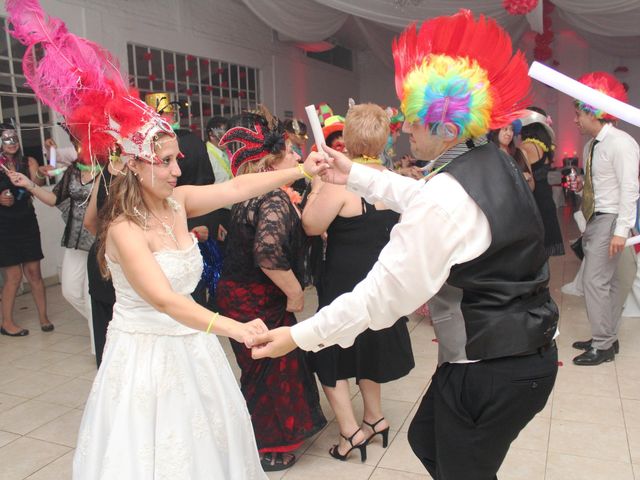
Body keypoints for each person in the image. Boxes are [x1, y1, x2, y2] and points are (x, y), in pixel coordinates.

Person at [5, 1, 326, 477]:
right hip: (145, 360)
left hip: (194, 349)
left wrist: (301, 169)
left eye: (177, 159)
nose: (178, 170)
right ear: (132, 164)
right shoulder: (122, 228)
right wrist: (236, 328)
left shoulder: (178, 202)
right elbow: (163, 299)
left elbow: (235, 186)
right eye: (167, 161)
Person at [250, 10, 559, 479]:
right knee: (424, 438)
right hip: (520, 353)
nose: (406, 129)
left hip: (494, 366)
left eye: (415, 122)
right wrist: (352, 173)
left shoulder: (448, 193)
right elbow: (423, 198)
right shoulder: (489, 159)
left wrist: (298, 336)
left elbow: (381, 299)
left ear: (448, 130)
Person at [215, 108, 326, 472]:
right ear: (273, 161)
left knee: (265, 366)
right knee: (269, 368)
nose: (297, 157)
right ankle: (266, 445)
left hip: (240, 291)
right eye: (291, 153)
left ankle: (259, 436)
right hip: (255, 295)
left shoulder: (254, 195)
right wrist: (295, 293)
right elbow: (267, 254)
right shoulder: (274, 199)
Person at [302, 103, 414, 462]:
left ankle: (350, 432)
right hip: (380, 276)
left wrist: (318, 184)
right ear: (384, 140)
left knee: (327, 348)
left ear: (347, 139)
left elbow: (311, 226)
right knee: (368, 343)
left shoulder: (341, 183)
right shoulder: (392, 180)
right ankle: (375, 417)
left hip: (343, 279)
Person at [569, 72, 639, 365]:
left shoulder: (621, 142)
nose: (575, 120)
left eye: (577, 114)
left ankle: (603, 344)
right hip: (598, 219)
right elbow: (599, 184)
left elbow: (629, 188)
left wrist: (621, 231)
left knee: (595, 282)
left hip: (611, 220)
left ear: (592, 112)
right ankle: (606, 335)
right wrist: (581, 185)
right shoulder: (591, 145)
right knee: (613, 281)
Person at [10, 134, 99, 350]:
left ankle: (100, 348)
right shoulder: (73, 171)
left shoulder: (108, 173)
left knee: (91, 296)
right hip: (75, 240)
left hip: (99, 242)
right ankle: (104, 326)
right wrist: (29, 184)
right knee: (69, 291)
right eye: (77, 145)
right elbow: (53, 199)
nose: (79, 149)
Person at [0, 124, 52, 336]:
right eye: (7, 139)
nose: (12, 143)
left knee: (34, 273)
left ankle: (43, 317)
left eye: (15, 138)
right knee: (13, 276)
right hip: (4, 225)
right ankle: (7, 323)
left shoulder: (27, 161)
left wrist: (39, 172)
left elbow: (37, 184)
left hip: (27, 222)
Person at [519, 107, 565, 256]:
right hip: (546, 201)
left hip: (535, 204)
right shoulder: (543, 147)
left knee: (534, 253)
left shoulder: (525, 147)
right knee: (544, 254)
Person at [487, 120, 534, 190]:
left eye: (511, 129)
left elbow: (532, 187)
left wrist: (528, 180)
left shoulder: (520, 153)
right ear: (496, 131)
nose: (509, 133)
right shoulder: (488, 154)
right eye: (505, 129)